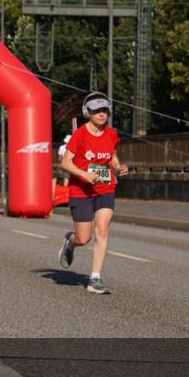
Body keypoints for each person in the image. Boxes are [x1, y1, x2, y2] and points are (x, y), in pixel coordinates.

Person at [56, 93, 128, 294]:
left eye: (104, 110)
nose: (101, 114)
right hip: (81, 190)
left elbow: (112, 154)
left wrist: (118, 167)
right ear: (88, 112)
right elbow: (65, 163)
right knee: (83, 238)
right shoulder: (80, 134)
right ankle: (70, 242)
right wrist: (84, 174)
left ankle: (94, 278)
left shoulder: (112, 134)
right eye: (96, 110)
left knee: (103, 229)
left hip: (105, 188)